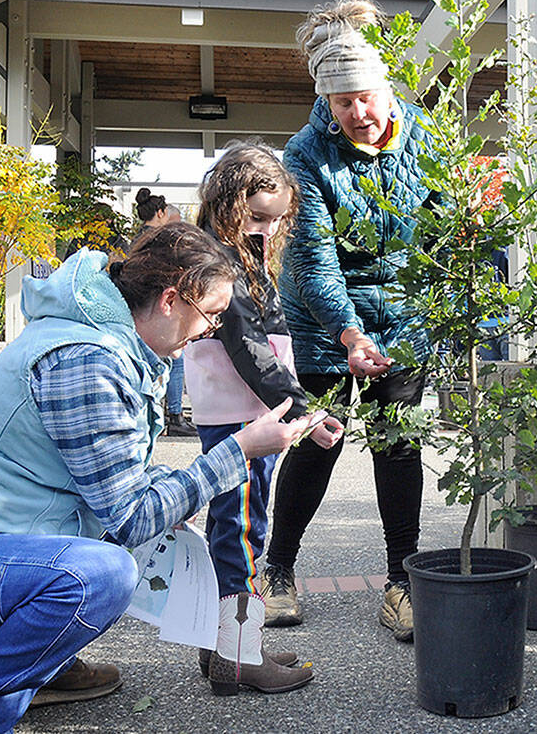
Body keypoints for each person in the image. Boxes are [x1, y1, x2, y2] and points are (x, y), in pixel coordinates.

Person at [0, 223, 338, 734]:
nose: (213, 331)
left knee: (125, 546)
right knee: (101, 574)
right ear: (172, 299)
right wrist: (236, 452)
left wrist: (176, 490)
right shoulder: (88, 360)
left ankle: (40, 671)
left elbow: (111, 472)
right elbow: (129, 517)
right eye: (212, 316)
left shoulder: (107, 339)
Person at [265, 0, 438, 643]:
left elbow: (443, 231)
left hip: (401, 320)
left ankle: (402, 580)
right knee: (319, 440)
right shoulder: (304, 155)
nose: (359, 113)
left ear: (385, 87)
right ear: (327, 103)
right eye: (344, 103)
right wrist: (348, 333)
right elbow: (311, 262)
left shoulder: (425, 136)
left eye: (366, 96)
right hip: (323, 322)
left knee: (399, 444)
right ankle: (277, 568)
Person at [184, 141, 344, 692]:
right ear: (228, 201)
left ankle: (223, 645)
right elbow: (251, 347)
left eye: (276, 221)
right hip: (246, 413)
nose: (267, 231)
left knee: (231, 529)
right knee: (245, 532)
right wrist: (305, 409)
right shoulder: (221, 263)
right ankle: (240, 654)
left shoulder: (225, 253)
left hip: (242, 409)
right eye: (256, 217)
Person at [136, 190, 195, 437]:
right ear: (160, 213)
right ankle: (175, 415)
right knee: (175, 359)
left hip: (140, 308)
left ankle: (156, 416)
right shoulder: (160, 240)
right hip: (162, 307)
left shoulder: (136, 240)